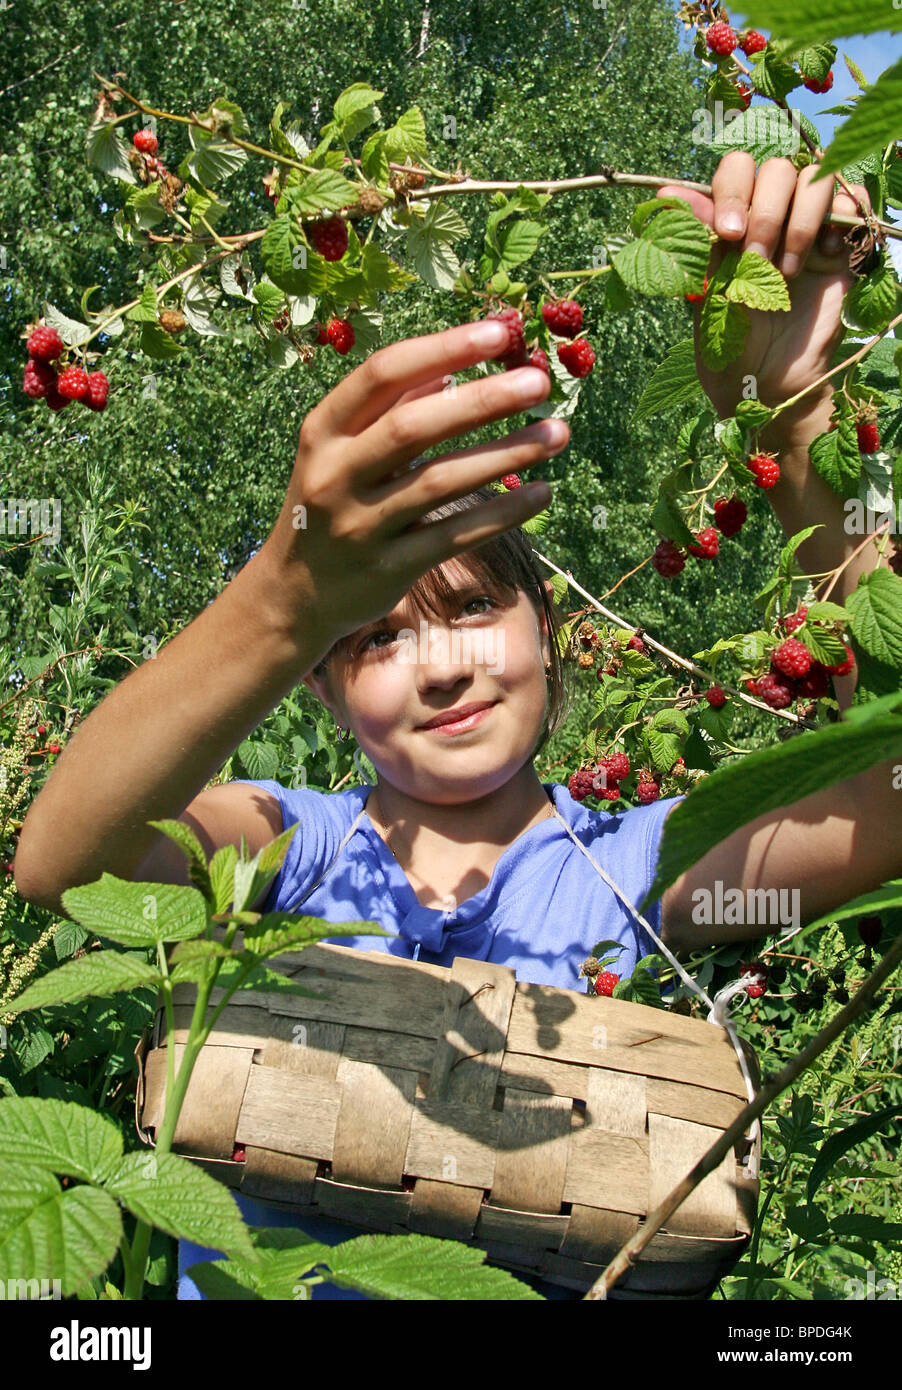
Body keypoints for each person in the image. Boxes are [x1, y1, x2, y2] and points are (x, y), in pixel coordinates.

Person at [15, 152, 898, 1301]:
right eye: (370, 639)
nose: (436, 669)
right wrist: (280, 602)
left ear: (545, 627)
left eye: (473, 606)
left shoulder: (635, 870)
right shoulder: (292, 850)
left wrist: (794, 427)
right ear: (320, 691)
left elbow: (887, 807)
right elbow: (64, 862)